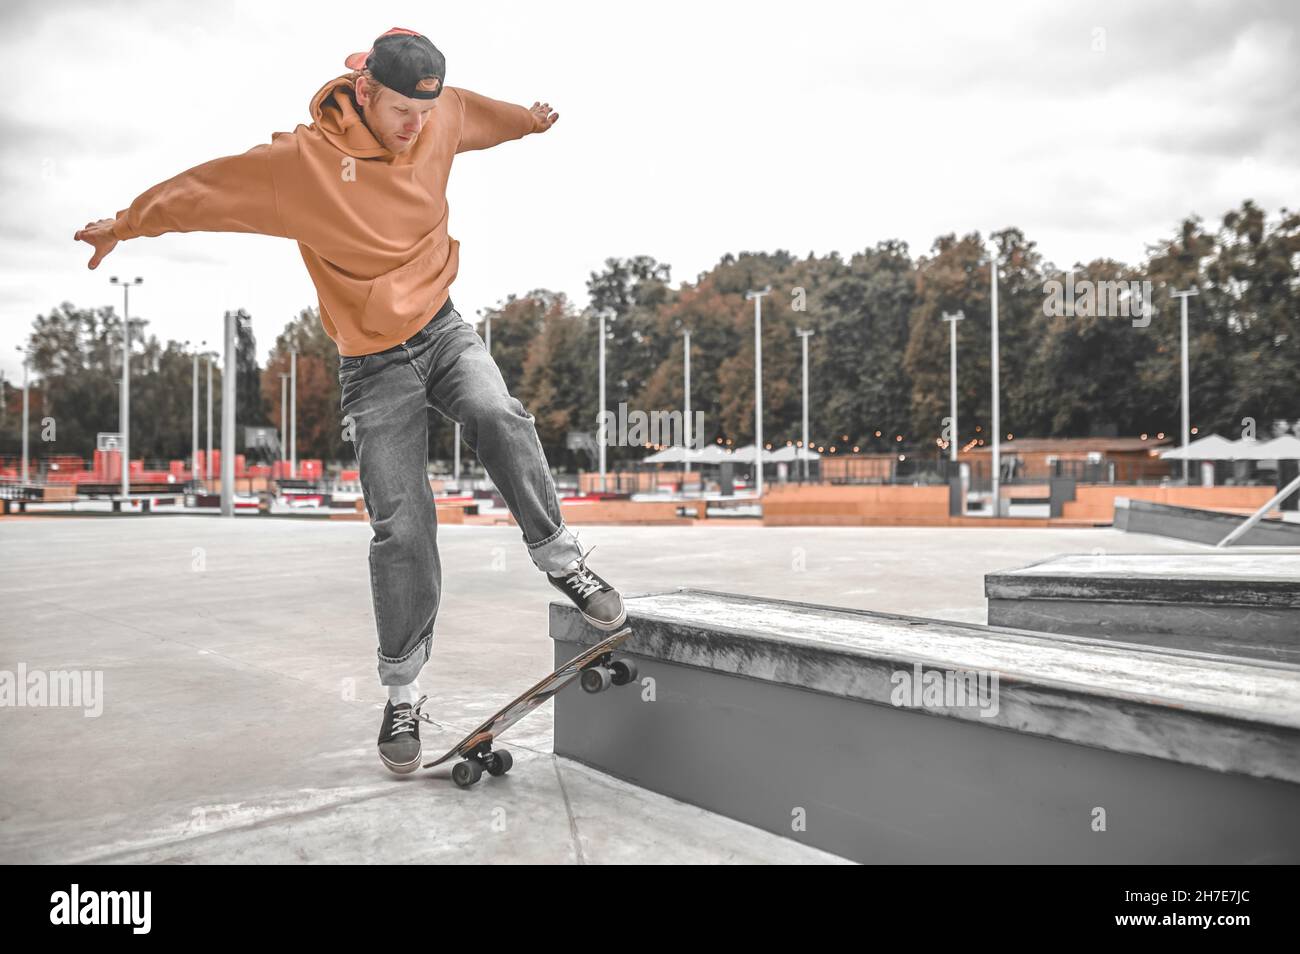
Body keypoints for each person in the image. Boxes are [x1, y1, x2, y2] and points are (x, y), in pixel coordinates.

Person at [74, 26, 626, 775]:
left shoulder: (442, 115)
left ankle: (561, 558)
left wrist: (529, 120)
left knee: (499, 413)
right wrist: (126, 224)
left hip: (444, 330)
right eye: (402, 111)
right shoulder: (299, 168)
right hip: (372, 366)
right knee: (401, 525)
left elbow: (481, 117)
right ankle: (402, 692)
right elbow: (203, 191)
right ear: (364, 91)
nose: (417, 128)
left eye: (427, 114)